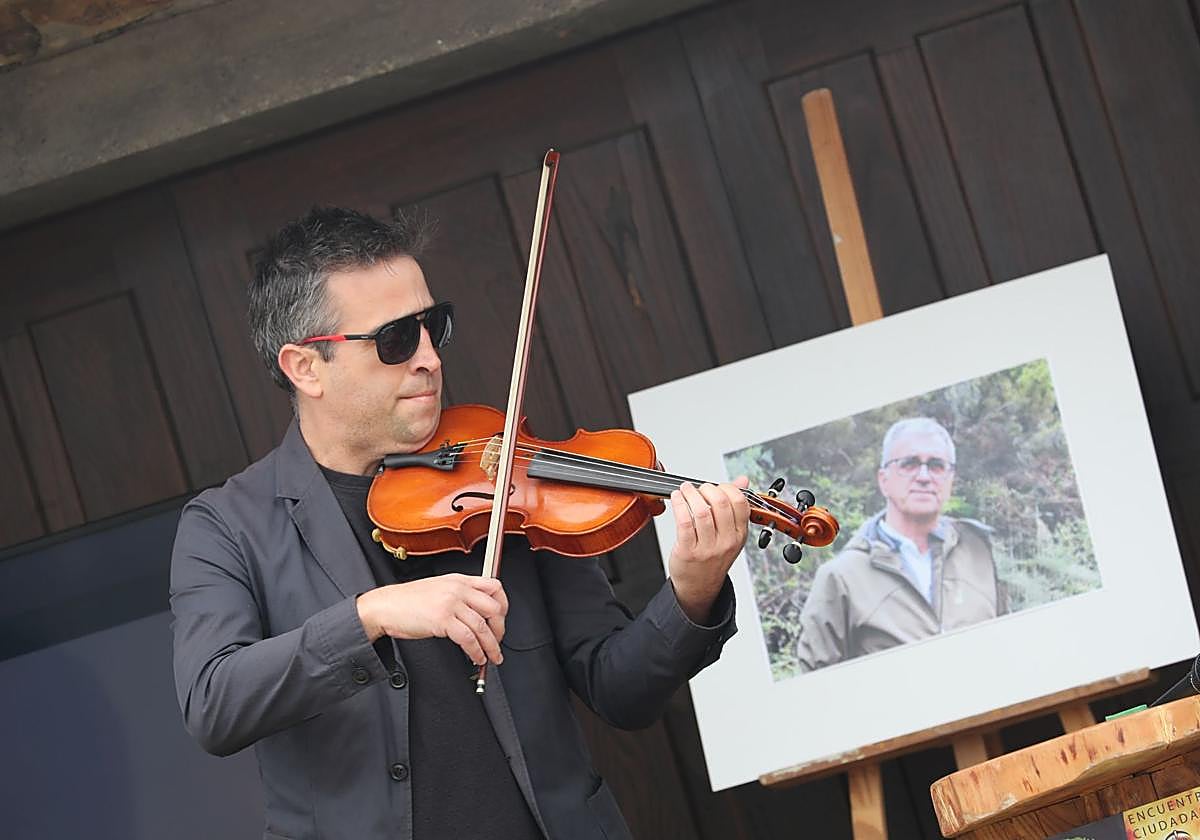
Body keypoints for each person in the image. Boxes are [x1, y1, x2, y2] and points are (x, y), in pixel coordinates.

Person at [169, 206, 751, 840]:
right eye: (394, 339)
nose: (428, 358)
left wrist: (692, 594)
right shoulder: (227, 527)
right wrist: (373, 615)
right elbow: (214, 702)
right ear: (306, 366)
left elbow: (620, 689)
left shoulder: (505, 475)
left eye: (432, 326)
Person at [796, 417, 1001, 672]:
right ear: (884, 480)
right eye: (909, 464)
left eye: (936, 465)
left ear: (951, 480)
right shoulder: (841, 577)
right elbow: (817, 683)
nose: (924, 477)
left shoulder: (979, 550)